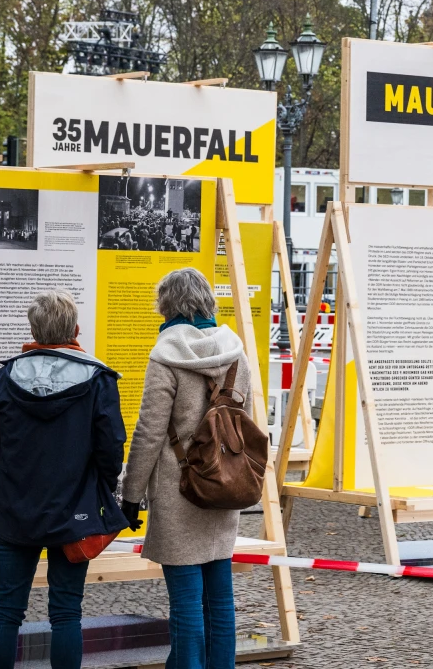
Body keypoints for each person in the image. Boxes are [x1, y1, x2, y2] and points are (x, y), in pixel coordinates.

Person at [0, 291, 126, 669]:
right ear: (75, 329)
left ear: (33, 330)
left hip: (15, 509)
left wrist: (19, 465)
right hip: (74, 511)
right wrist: (98, 481)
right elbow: (111, 449)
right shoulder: (98, 380)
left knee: (7, 611)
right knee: (66, 613)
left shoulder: (3, 377)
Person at [122, 268, 254, 669]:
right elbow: (243, 421)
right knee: (220, 601)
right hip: (224, 486)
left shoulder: (166, 356)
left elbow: (149, 432)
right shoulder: (236, 353)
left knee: (185, 605)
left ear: (168, 305)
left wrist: (131, 495)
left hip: (179, 490)